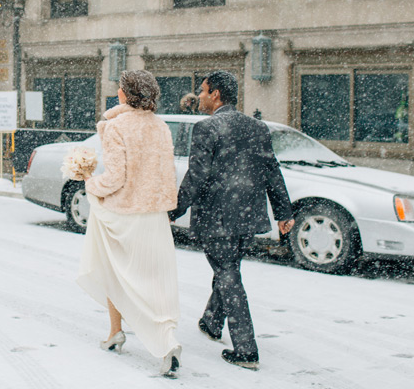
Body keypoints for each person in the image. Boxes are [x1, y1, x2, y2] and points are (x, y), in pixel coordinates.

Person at [169, 71, 294, 371]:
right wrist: (283, 212)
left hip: (217, 217)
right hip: (248, 216)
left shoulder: (206, 129)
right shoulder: (257, 127)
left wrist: (172, 212)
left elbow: (196, 177)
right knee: (229, 268)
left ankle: (246, 349)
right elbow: (272, 172)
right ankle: (212, 322)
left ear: (215, 94)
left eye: (202, 90)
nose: (198, 96)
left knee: (227, 274)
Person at [77, 70, 182, 377]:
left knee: (114, 271)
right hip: (154, 215)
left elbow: (115, 178)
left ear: (125, 94)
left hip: (124, 214)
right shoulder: (161, 126)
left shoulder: (115, 126)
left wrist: (89, 181)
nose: (117, 92)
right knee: (156, 280)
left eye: (119, 88)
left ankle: (115, 331)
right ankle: (167, 340)